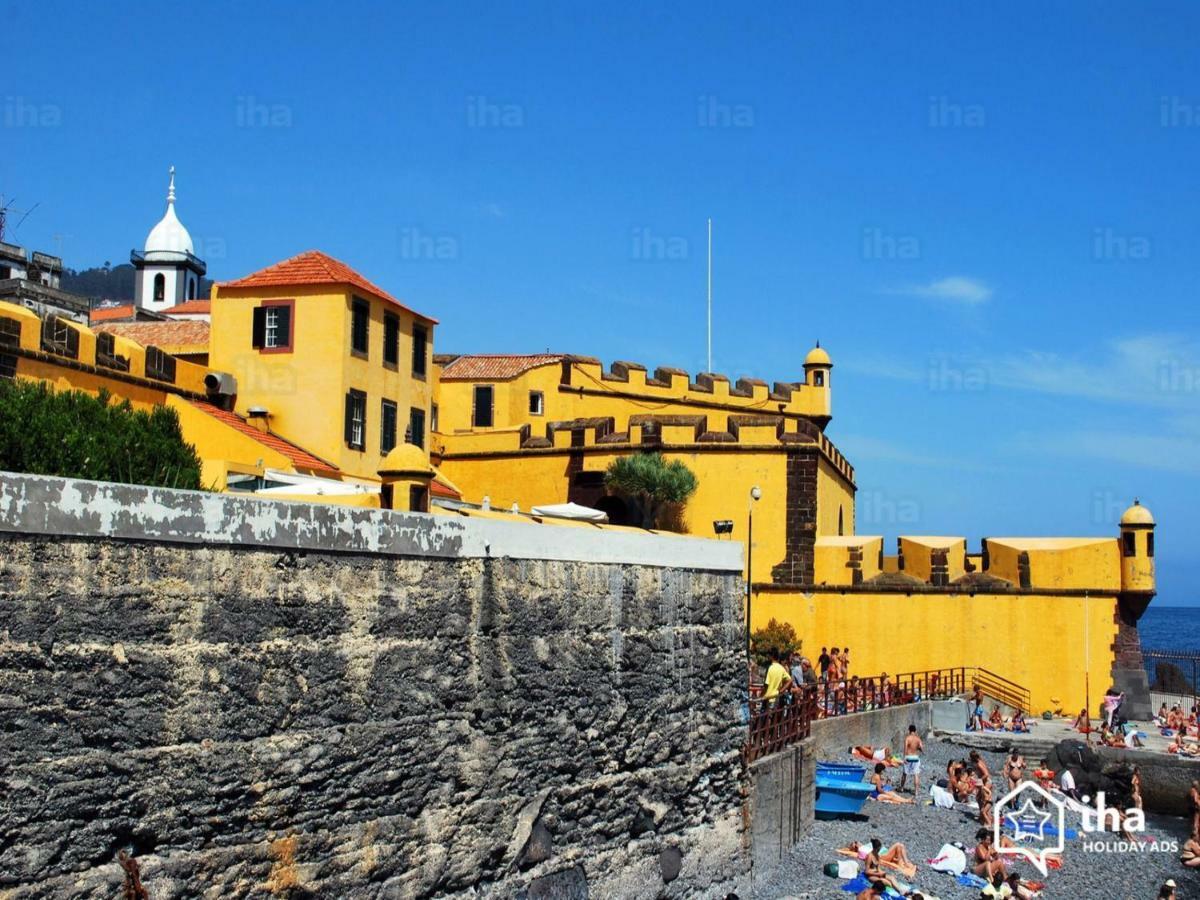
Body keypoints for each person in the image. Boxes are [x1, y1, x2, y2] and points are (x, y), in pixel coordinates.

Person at [900, 724, 923, 795]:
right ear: (915, 730)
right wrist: (917, 747)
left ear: (909, 730)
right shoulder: (918, 739)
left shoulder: (907, 738)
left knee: (904, 774)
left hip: (908, 756)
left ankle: (902, 788)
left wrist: (904, 758)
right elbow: (921, 748)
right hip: (915, 757)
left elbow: (905, 748)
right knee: (916, 774)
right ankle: (916, 791)